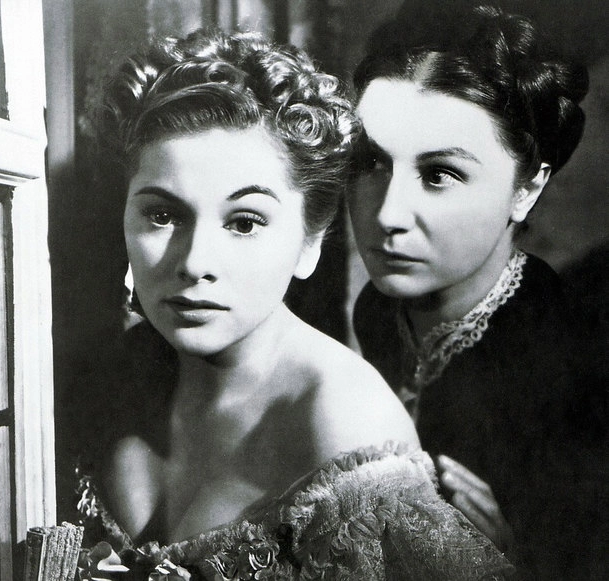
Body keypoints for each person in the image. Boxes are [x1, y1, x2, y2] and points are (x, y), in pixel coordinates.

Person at [74, 28, 513, 580]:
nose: (194, 262)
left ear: (310, 243)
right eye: (162, 215)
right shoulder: (112, 374)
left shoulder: (342, 423)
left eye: (244, 223)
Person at [349, 4, 607, 579]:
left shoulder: (574, 360)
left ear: (526, 189)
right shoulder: (379, 309)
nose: (388, 215)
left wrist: (516, 562)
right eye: (371, 162)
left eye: (439, 174)